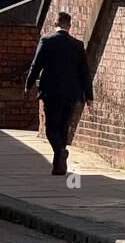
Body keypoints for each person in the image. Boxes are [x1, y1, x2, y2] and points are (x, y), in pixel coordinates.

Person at [24, 11, 93, 174]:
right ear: (69, 26)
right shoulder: (77, 45)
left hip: (51, 92)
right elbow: (84, 72)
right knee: (63, 128)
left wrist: (28, 84)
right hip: (72, 93)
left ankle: (60, 153)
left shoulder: (46, 41)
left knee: (50, 129)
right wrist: (89, 96)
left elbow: (36, 65)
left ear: (55, 24)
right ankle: (59, 166)